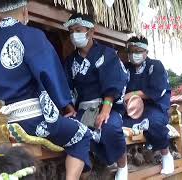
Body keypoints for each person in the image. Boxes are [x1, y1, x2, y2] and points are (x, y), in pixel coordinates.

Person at [0, 1, 92, 179]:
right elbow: (50, 76)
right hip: (32, 122)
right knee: (83, 134)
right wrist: (65, 106)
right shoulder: (33, 36)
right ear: (25, 11)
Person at [63, 13, 129, 180]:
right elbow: (65, 87)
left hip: (107, 106)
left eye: (78, 30)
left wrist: (105, 111)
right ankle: (86, 171)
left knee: (110, 128)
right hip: (84, 110)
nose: (74, 34)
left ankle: (122, 165)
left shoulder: (107, 54)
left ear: (91, 31)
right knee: (75, 131)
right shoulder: (70, 61)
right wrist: (69, 108)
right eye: (71, 31)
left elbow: (113, 83)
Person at [122, 36, 174, 175]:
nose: (134, 54)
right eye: (131, 51)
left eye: (138, 51)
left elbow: (157, 89)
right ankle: (121, 165)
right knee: (115, 123)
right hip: (130, 109)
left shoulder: (155, 65)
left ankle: (165, 154)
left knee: (154, 123)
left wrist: (134, 94)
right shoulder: (125, 68)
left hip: (153, 106)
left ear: (146, 51)